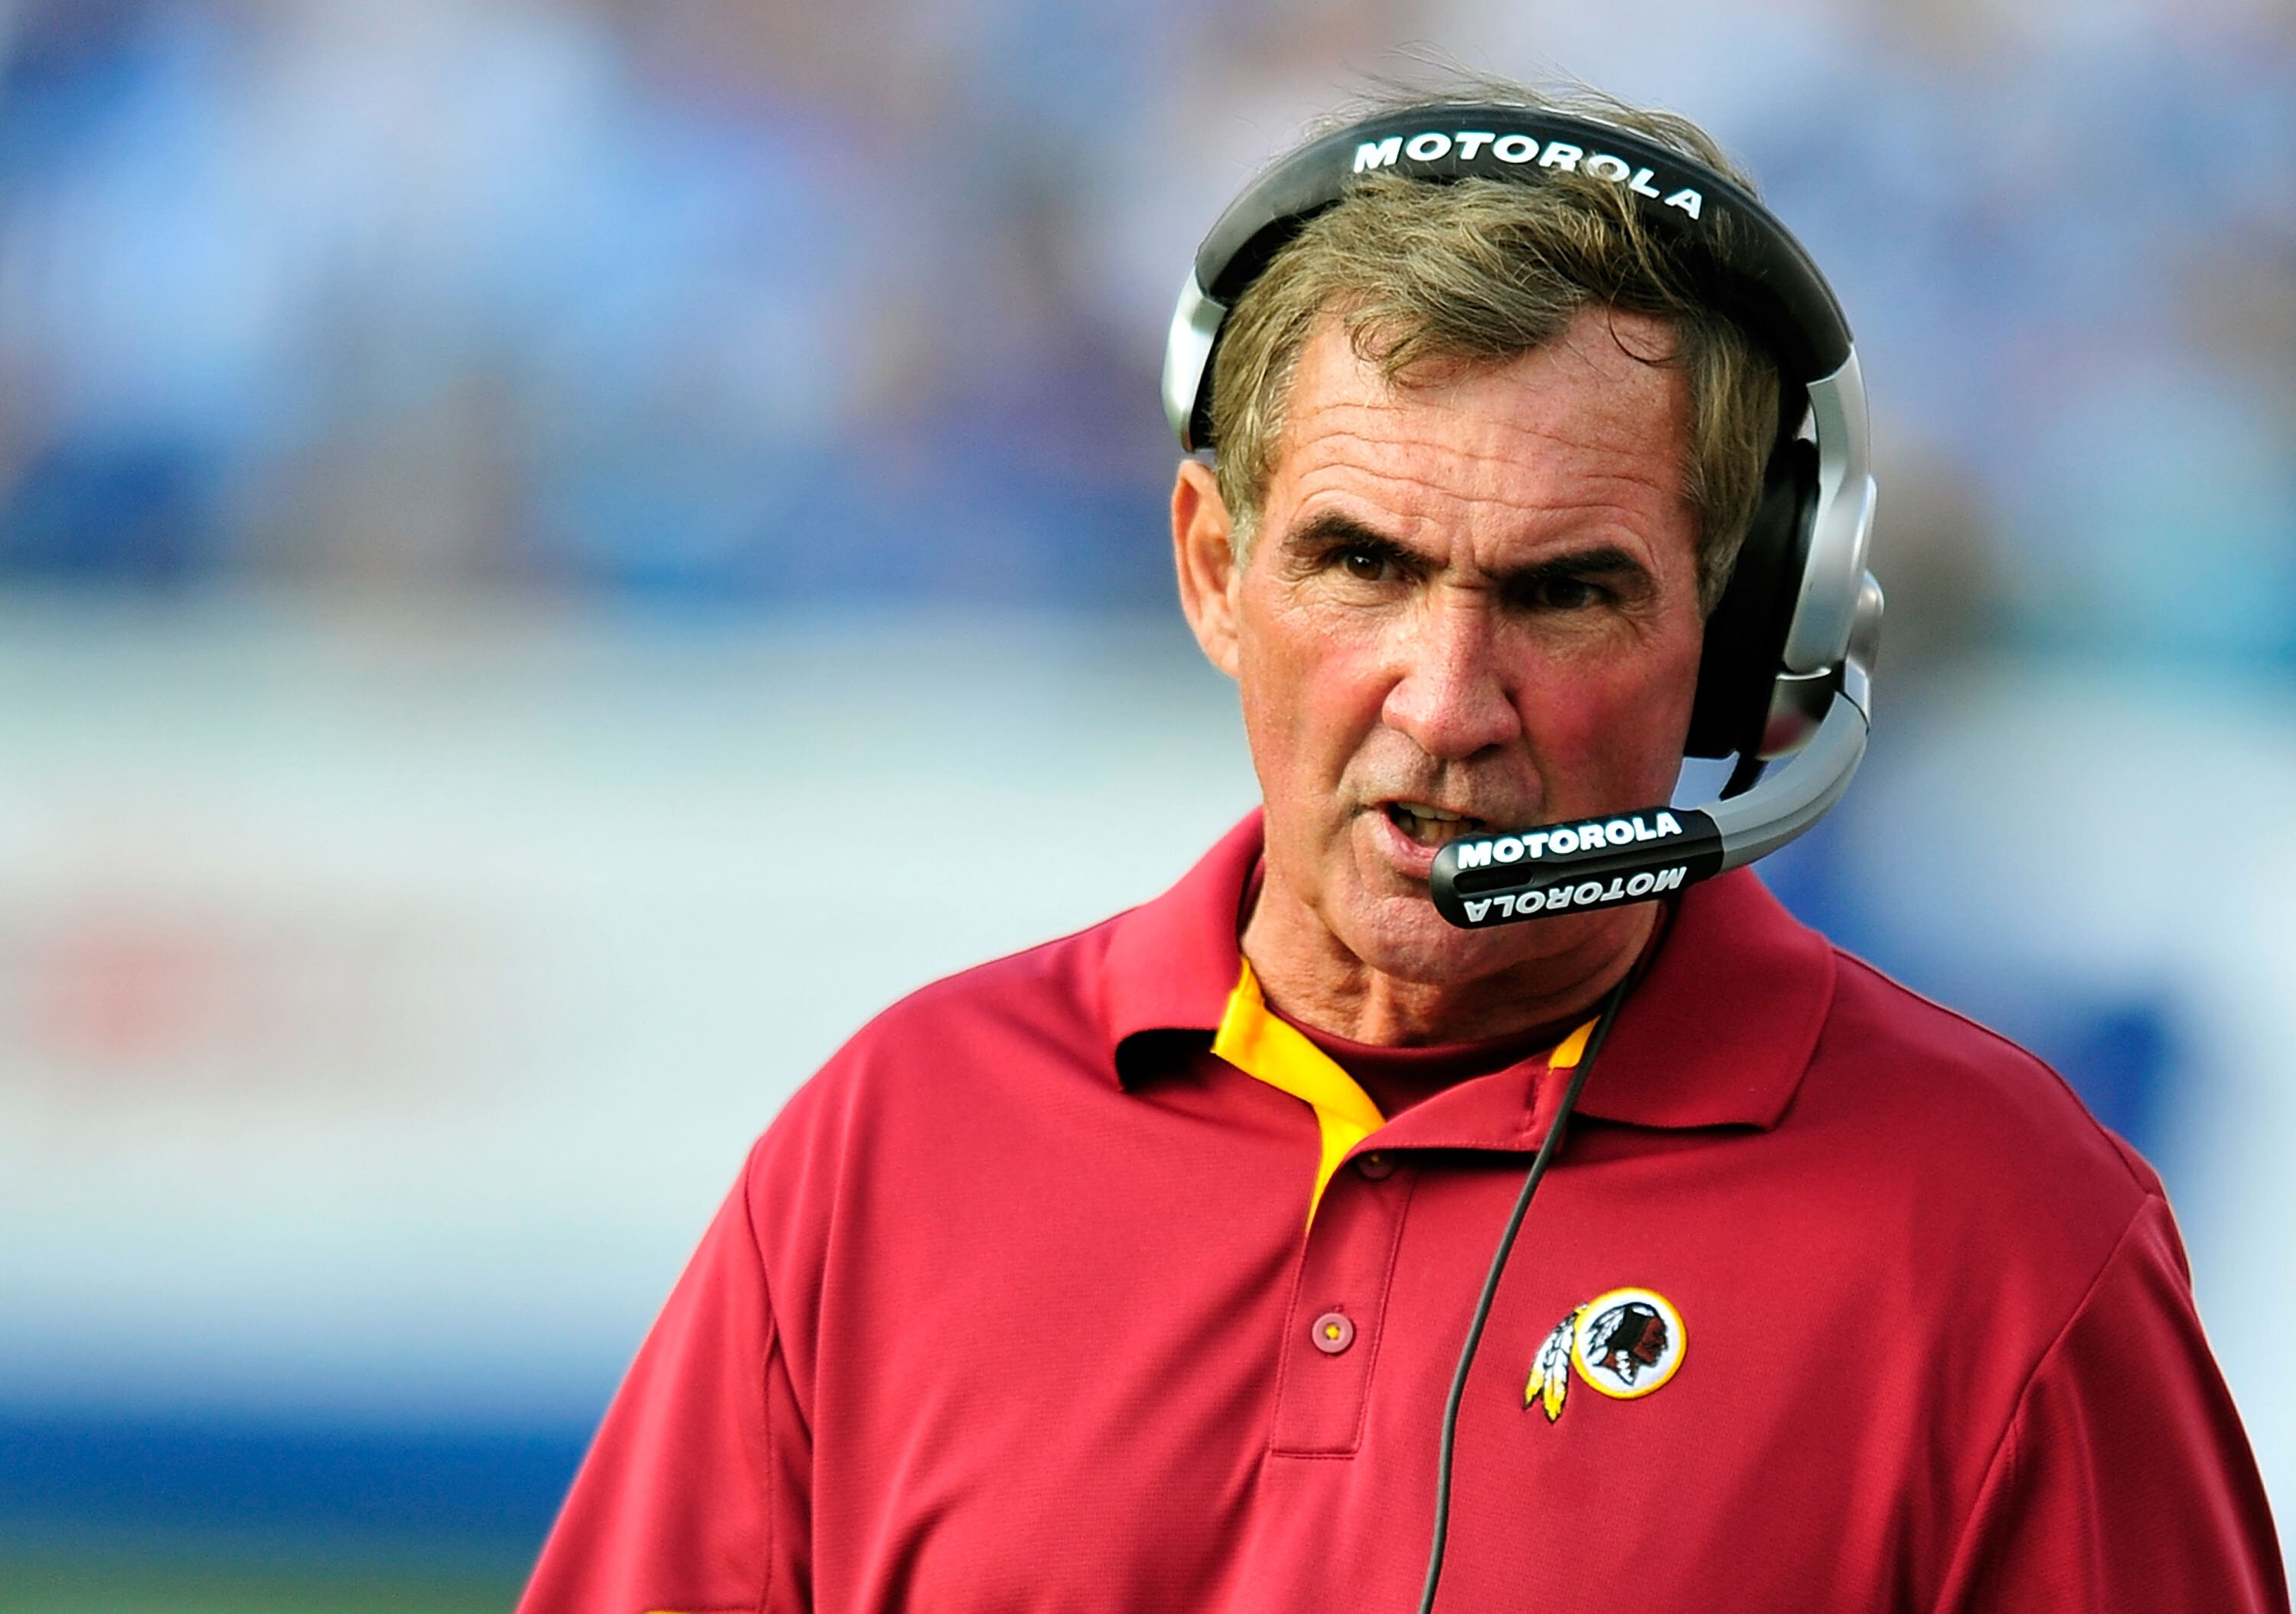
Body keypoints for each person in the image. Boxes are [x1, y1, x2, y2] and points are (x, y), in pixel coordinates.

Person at [519, 81, 2286, 1613]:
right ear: (1217, 566)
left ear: (1742, 648)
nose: (1446, 700)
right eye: (1362, 563)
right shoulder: (893, 1146)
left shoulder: (2003, 1236)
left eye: (1566, 591)